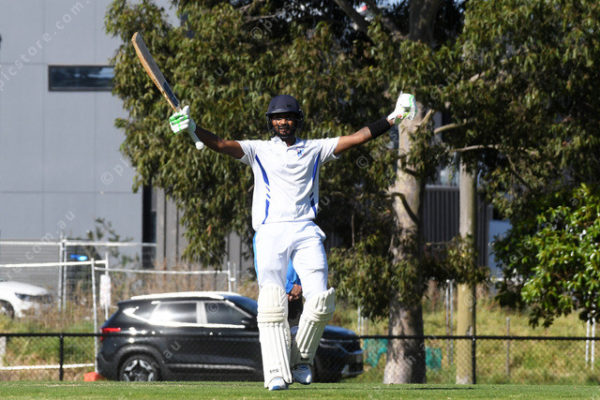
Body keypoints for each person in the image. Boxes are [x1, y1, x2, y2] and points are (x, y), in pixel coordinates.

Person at [169, 93, 416, 390]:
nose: (283, 122)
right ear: (270, 122)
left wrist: (393, 118)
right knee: (272, 303)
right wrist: (194, 128)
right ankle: (275, 372)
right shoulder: (258, 150)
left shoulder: (315, 149)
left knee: (321, 301)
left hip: (305, 229)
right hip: (270, 231)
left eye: (287, 117)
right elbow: (221, 144)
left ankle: (300, 362)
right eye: (277, 118)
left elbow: (357, 138)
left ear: (297, 120)